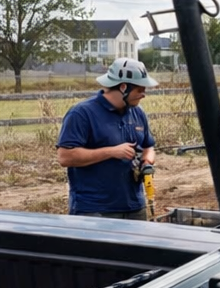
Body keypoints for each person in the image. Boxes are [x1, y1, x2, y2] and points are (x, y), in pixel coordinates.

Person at [56, 58, 159, 220]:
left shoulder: (138, 113)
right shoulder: (82, 114)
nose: (143, 94)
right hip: (95, 210)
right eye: (139, 89)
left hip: (134, 207)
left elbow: (148, 146)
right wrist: (111, 152)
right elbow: (65, 157)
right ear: (123, 87)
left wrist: (147, 162)